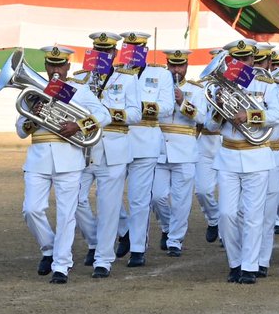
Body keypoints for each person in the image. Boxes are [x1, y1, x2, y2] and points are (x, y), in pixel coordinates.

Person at [17, 46, 111, 283]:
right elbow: (20, 130)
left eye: (60, 64)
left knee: (67, 214)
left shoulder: (80, 90)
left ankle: (61, 265)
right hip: (38, 159)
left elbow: (105, 115)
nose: (55, 69)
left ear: (68, 66)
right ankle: (49, 249)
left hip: (69, 159)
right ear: (46, 66)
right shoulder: (34, 91)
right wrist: (32, 115)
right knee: (31, 209)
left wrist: (78, 125)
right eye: (51, 64)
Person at [206, 39, 279, 284]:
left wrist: (249, 115)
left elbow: (278, 114)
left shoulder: (265, 84)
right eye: (236, 59)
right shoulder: (220, 87)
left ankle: (249, 266)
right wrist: (219, 109)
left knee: (252, 215)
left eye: (245, 59)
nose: (241, 63)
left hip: (257, 155)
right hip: (228, 156)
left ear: (252, 59)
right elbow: (210, 125)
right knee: (226, 214)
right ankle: (235, 262)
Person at [74, 32, 140, 278]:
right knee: (75, 200)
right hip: (84, 148)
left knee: (109, 207)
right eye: (98, 51)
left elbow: (136, 114)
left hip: (114, 149)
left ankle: (103, 259)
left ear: (114, 53)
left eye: (107, 52)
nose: (102, 55)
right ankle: (94, 241)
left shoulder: (127, 79)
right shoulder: (80, 78)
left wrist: (105, 113)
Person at [117, 31, 176, 268]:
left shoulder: (160, 74)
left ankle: (137, 248)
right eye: (129, 48)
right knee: (108, 196)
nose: (133, 53)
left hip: (145, 140)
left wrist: (137, 107)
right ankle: (125, 229)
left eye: (137, 48)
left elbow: (168, 107)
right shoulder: (115, 73)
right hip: (118, 140)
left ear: (145, 50)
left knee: (139, 199)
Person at [150, 49, 208, 258]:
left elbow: (203, 118)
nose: (176, 70)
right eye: (173, 65)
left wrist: (183, 102)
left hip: (185, 150)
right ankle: (167, 227)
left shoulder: (196, 89)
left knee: (181, 199)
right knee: (157, 197)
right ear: (167, 65)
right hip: (160, 147)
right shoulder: (158, 85)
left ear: (186, 66)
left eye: (180, 65)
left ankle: (175, 240)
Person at [254, 46, 279, 278]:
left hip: (272, 152)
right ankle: (246, 256)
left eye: (261, 63)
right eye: (254, 62)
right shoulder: (238, 87)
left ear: (269, 63)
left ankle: (262, 260)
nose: (257, 67)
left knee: (268, 212)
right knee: (244, 211)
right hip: (247, 152)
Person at [195, 49, 223, 244]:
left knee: (230, 194)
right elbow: (200, 118)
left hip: (228, 144)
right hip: (206, 143)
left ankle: (225, 231)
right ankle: (214, 219)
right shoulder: (202, 88)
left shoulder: (240, 87)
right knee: (202, 191)